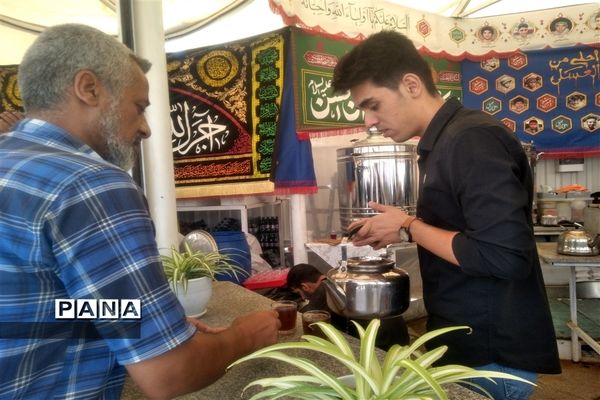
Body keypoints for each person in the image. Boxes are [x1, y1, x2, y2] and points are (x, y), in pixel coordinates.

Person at [0, 24, 279, 399]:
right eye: (139, 107)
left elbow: (29, 303)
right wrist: (244, 335)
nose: (146, 129)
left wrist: (135, 313)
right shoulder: (91, 183)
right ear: (89, 88)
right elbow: (169, 374)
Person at [332, 30, 561, 399]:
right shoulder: (445, 142)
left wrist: (409, 224)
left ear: (411, 84)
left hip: (490, 354)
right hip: (467, 343)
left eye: (373, 104)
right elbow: (467, 232)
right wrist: (404, 230)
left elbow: (504, 256)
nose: (369, 121)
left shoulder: (470, 140)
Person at [287, 263, 409, 350]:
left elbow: (310, 321)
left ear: (305, 286)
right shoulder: (340, 281)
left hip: (381, 346)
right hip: (400, 338)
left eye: (299, 293)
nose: (303, 299)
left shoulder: (324, 288)